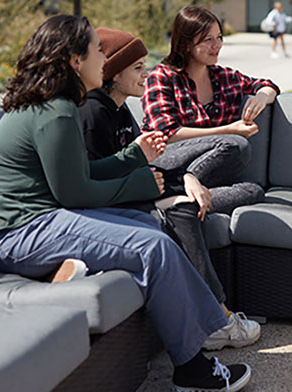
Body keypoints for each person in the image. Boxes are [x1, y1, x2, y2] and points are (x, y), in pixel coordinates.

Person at [0, 14, 252, 392]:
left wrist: (132, 159)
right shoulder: (57, 111)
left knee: (150, 225)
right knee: (152, 246)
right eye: (97, 51)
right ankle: (193, 368)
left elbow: (80, 173)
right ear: (74, 60)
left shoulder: (56, 103)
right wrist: (135, 179)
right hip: (14, 232)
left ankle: (201, 325)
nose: (104, 59)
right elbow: (73, 193)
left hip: (37, 220)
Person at [79, 26, 260, 351]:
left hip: (144, 189)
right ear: (113, 73)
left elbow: (138, 162)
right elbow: (101, 181)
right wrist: (174, 187)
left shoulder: (119, 110)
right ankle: (218, 319)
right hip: (116, 204)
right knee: (183, 208)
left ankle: (191, 192)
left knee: (249, 191)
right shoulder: (93, 114)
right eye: (137, 68)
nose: (145, 74)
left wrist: (183, 180)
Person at [142, 5, 280, 215]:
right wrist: (230, 130)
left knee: (253, 191)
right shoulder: (162, 77)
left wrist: (261, 96)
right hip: (164, 163)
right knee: (236, 145)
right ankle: (180, 190)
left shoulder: (223, 77)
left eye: (219, 37)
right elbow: (166, 134)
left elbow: (267, 85)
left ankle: (182, 203)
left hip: (208, 171)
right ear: (187, 43)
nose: (217, 45)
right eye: (208, 40)